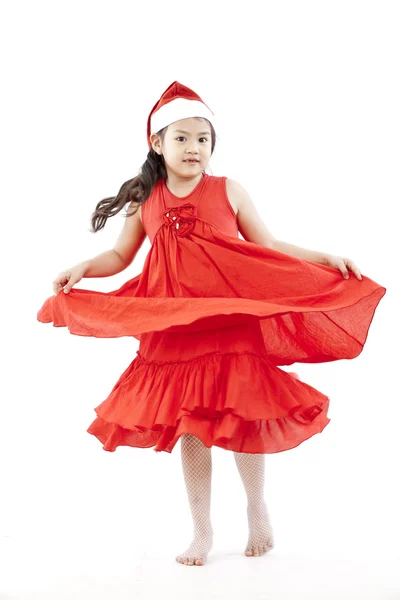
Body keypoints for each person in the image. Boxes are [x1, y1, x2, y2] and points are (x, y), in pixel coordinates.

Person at [37, 81, 386, 567]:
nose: (194, 148)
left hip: (227, 319)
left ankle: (257, 510)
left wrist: (324, 257)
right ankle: (201, 531)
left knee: (243, 415)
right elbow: (120, 255)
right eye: (182, 138)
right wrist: (82, 268)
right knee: (192, 429)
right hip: (175, 327)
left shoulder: (228, 190)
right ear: (157, 143)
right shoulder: (147, 198)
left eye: (203, 139)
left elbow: (269, 246)